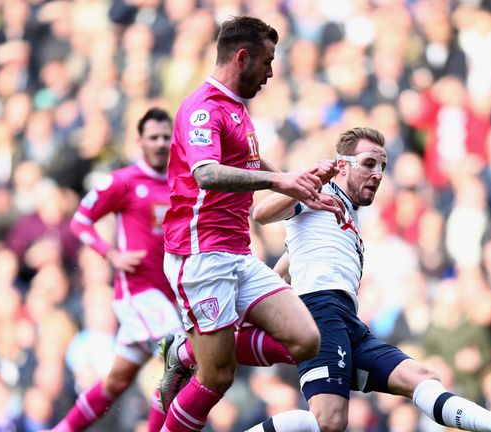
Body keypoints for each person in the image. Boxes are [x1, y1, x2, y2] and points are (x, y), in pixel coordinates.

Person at [245, 127, 491, 432]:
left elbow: (289, 262)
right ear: (341, 166)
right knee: (329, 421)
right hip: (321, 313)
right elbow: (262, 215)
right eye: (369, 163)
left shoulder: (348, 215)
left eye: (382, 166)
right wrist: (314, 177)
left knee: (422, 375)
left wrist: (262, 305)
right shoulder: (319, 191)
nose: (378, 173)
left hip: (347, 320)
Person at [158, 15, 345, 432]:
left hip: (238, 254)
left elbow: (249, 161)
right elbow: (206, 172)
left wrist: (300, 188)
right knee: (218, 377)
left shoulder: (236, 109)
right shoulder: (203, 109)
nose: (271, 72)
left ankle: (187, 351)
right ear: (242, 58)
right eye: (267, 61)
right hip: (200, 255)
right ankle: (190, 361)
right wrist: (279, 180)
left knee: (305, 340)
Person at [52, 108, 184, 432]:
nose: (160, 143)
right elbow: (80, 221)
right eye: (153, 137)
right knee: (176, 356)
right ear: (139, 140)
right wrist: (111, 254)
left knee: (117, 381)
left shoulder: (179, 182)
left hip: (166, 297)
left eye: (166, 137)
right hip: (137, 293)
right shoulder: (123, 181)